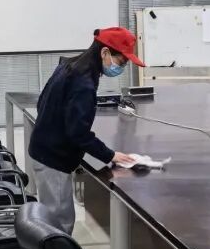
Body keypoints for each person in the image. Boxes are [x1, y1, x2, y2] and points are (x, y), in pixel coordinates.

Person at [28, 27, 141, 234]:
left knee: (54, 219)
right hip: (52, 159)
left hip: (45, 151)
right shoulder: (84, 83)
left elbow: (41, 102)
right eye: (122, 62)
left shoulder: (69, 65)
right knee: (59, 225)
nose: (121, 68)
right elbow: (78, 133)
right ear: (105, 52)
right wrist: (110, 155)